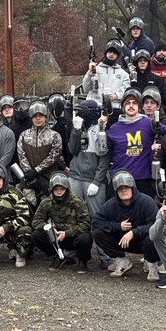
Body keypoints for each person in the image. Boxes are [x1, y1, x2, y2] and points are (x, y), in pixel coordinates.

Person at [67, 99, 111, 272]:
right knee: (73, 216)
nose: (79, 114)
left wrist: (97, 181)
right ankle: (74, 253)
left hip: (93, 179)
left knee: (97, 217)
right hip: (76, 176)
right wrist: (76, 131)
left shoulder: (101, 128)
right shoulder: (78, 127)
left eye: (82, 111)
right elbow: (72, 149)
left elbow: (104, 157)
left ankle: (105, 256)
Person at [92, 171, 160, 277]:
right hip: (121, 241)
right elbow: (96, 221)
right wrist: (118, 226)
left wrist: (134, 232)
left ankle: (151, 263)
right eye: (120, 188)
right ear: (116, 191)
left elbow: (155, 223)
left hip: (143, 241)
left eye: (126, 187)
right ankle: (122, 261)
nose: (123, 191)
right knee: (98, 233)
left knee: (153, 236)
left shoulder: (147, 202)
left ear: (133, 187)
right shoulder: (111, 204)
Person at [30, 173, 94, 272]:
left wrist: (67, 233)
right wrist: (49, 229)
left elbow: (86, 224)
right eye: (56, 189)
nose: (59, 192)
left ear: (67, 188)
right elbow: (36, 221)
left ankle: (82, 260)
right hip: (56, 236)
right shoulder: (47, 202)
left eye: (62, 189)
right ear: (52, 190)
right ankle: (58, 255)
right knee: (36, 235)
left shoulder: (77, 201)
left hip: (73, 236)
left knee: (86, 238)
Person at [105, 88, 160, 197]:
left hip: (142, 180)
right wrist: (101, 127)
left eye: (134, 103)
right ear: (123, 107)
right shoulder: (114, 128)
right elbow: (103, 150)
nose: (131, 106)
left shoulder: (149, 123)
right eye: (128, 103)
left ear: (139, 107)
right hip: (119, 178)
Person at [16, 100, 63, 199]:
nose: (38, 118)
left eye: (40, 115)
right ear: (31, 117)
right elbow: (21, 155)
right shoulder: (24, 135)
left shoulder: (54, 136)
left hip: (48, 180)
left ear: (46, 117)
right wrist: (29, 173)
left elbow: (54, 156)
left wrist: (36, 171)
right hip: (29, 181)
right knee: (29, 209)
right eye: (35, 116)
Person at [82, 39, 131, 106]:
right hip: (96, 106)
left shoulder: (123, 74)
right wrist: (89, 73)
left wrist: (117, 95)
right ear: (106, 53)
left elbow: (126, 89)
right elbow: (86, 89)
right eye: (110, 52)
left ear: (118, 56)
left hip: (115, 107)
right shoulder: (96, 70)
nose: (111, 54)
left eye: (114, 53)